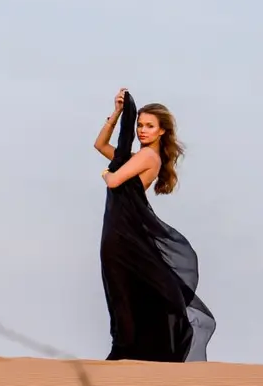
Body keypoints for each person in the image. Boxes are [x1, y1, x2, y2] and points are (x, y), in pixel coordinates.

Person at [91, 88, 215, 362]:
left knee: (123, 293)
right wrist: (118, 113)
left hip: (123, 234)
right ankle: (127, 351)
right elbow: (100, 145)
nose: (141, 130)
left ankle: (126, 353)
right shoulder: (137, 157)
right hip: (120, 232)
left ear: (162, 131)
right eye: (139, 125)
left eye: (149, 126)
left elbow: (113, 180)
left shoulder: (147, 158)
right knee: (123, 292)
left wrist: (106, 171)